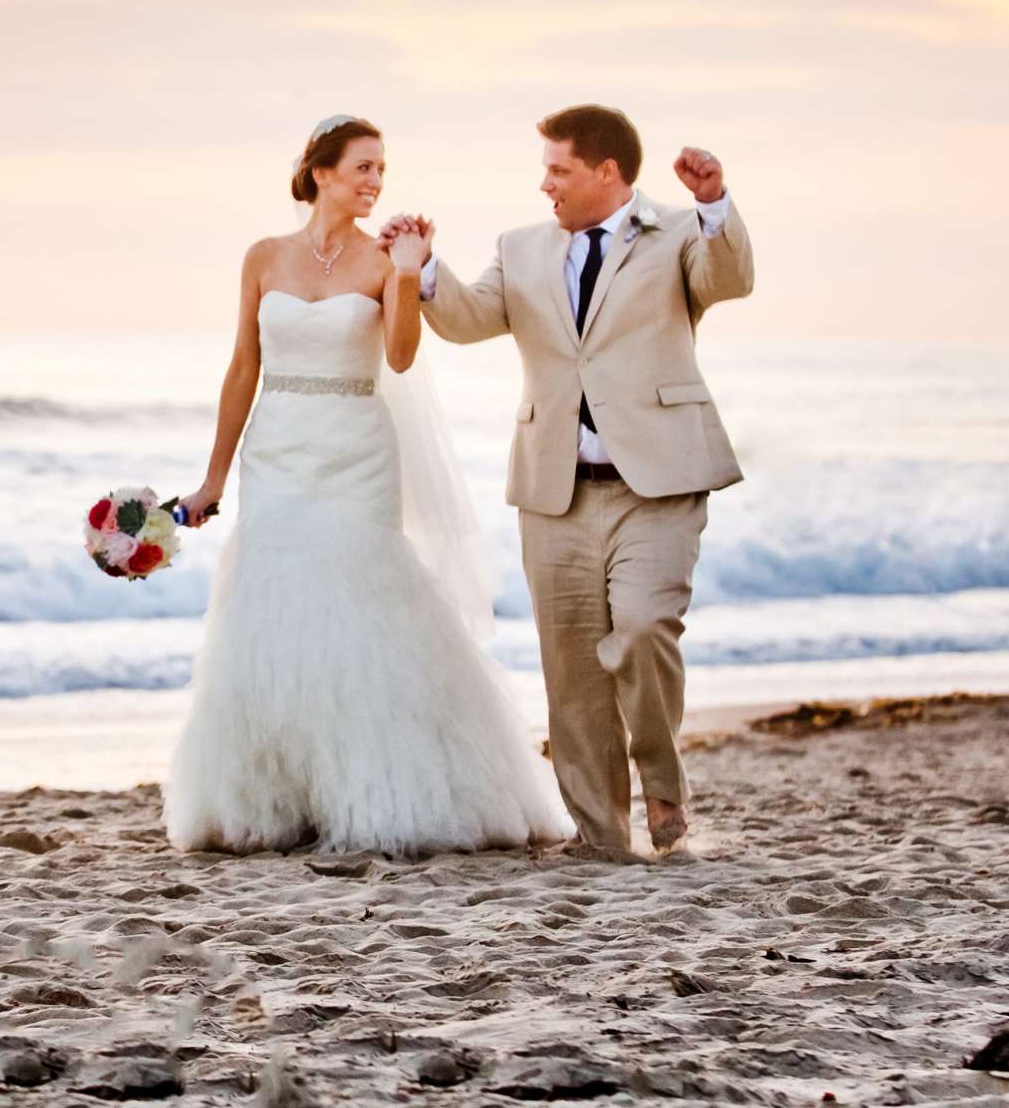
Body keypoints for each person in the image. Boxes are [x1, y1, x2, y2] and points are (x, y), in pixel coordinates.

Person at [163, 115, 572, 856]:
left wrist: (409, 272)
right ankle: (281, 795)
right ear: (319, 171)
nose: (376, 181)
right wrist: (212, 479)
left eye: (382, 169)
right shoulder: (263, 257)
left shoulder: (383, 259)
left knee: (360, 610)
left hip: (355, 449)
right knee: (274, 614)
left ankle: (376, 784)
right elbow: (242, 368)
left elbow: (404, 355)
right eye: (362, 167)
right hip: (278, 451)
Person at [384, 104, 751, 856]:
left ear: (606, 172)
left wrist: (714, 202)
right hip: (556, 488)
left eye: (558, 168)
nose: (544, 182)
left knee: (645, 629)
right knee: (574, 669)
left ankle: (662, 782)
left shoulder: (679, 232)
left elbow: (728, 277)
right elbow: (467, 317)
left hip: (658, 482)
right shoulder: (519, 248)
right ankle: (602, 836)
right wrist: (422, 267)